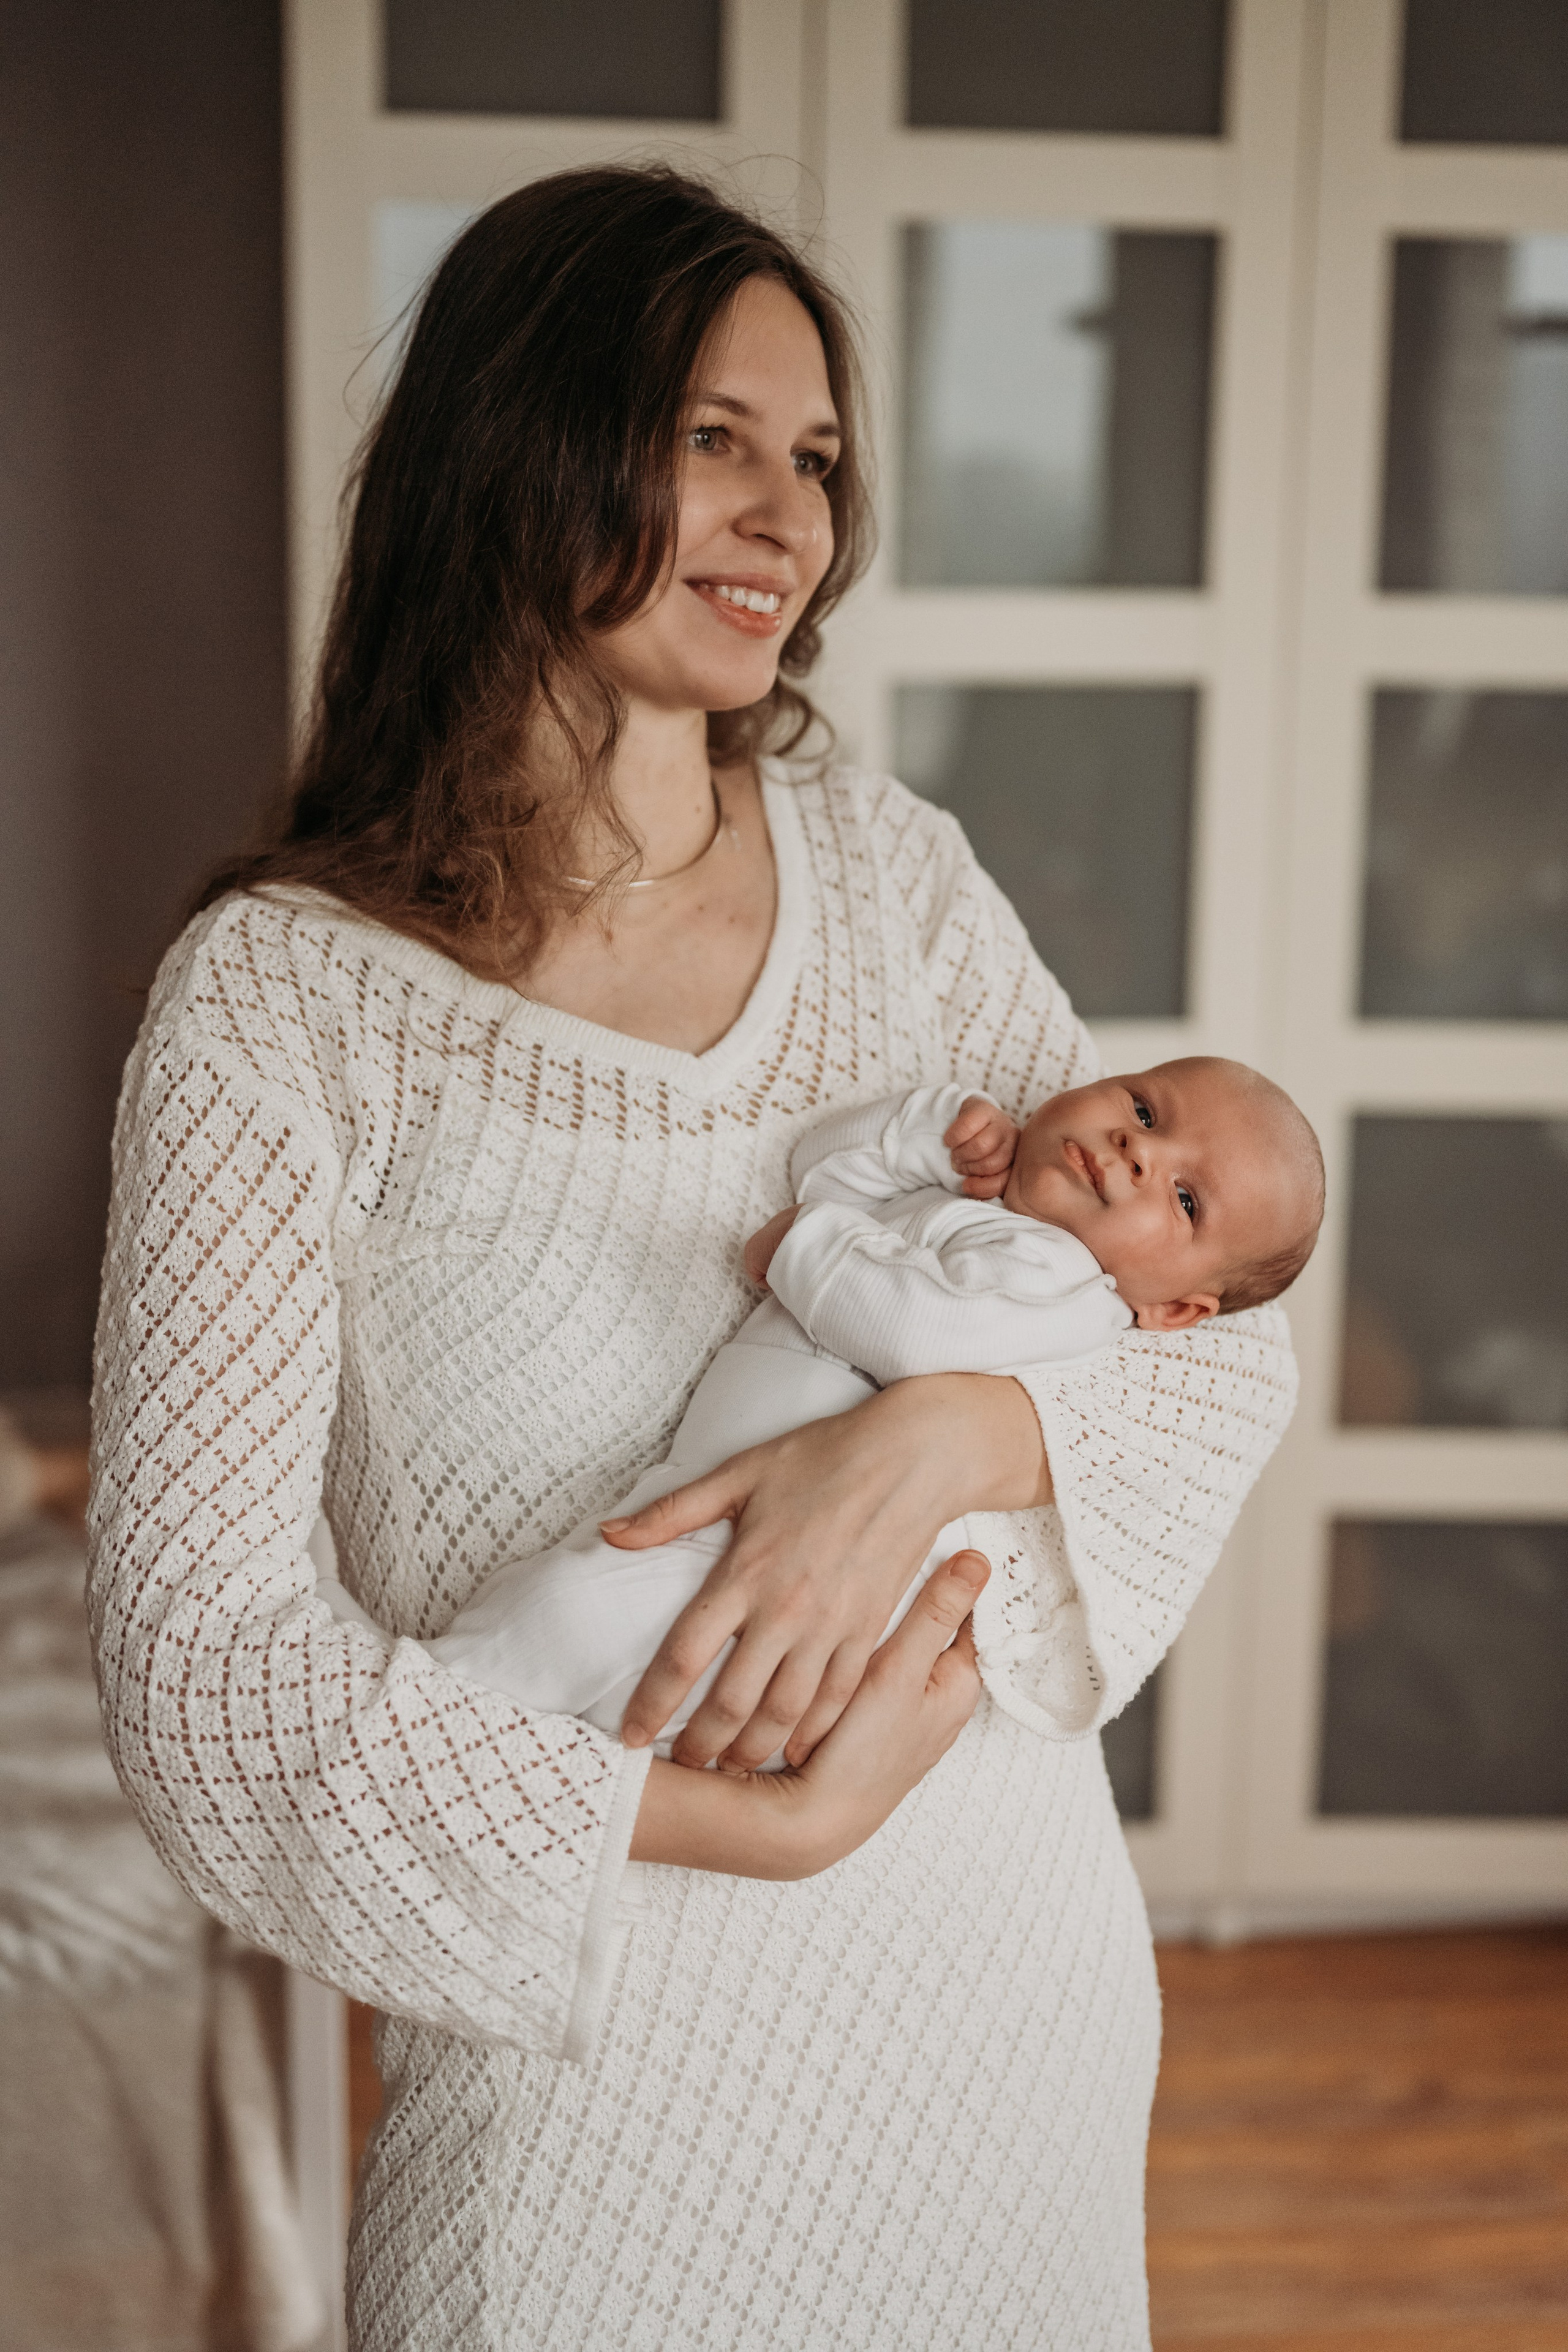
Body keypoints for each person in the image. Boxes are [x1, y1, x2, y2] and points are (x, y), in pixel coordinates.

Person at [88, 166, 1300, 2349]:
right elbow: (199, 1672)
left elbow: (1211, 1332)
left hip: (1004, 2027)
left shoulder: (894, 879)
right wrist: (760, 1823)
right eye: (711, 438)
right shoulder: (281, 1009)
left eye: (817, 460)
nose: (786, 519)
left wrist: (932, 1440)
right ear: (518, 446)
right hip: (590, 2122)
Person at [420, 1063, 1322, 1763]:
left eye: (1186, 1199)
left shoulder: (1071, 1289)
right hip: (719, 1518)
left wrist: (801, 1247)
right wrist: (931, 1133)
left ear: (1173, 1311)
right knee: (562, 1622)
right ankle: (447, 1725)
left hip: (767, 1586)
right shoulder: (977, 1202)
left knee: (564, 1621)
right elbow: (823, 1165)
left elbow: (915, 1329)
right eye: (1146, 1109)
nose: (1138, 1152)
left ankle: (408, 1722)